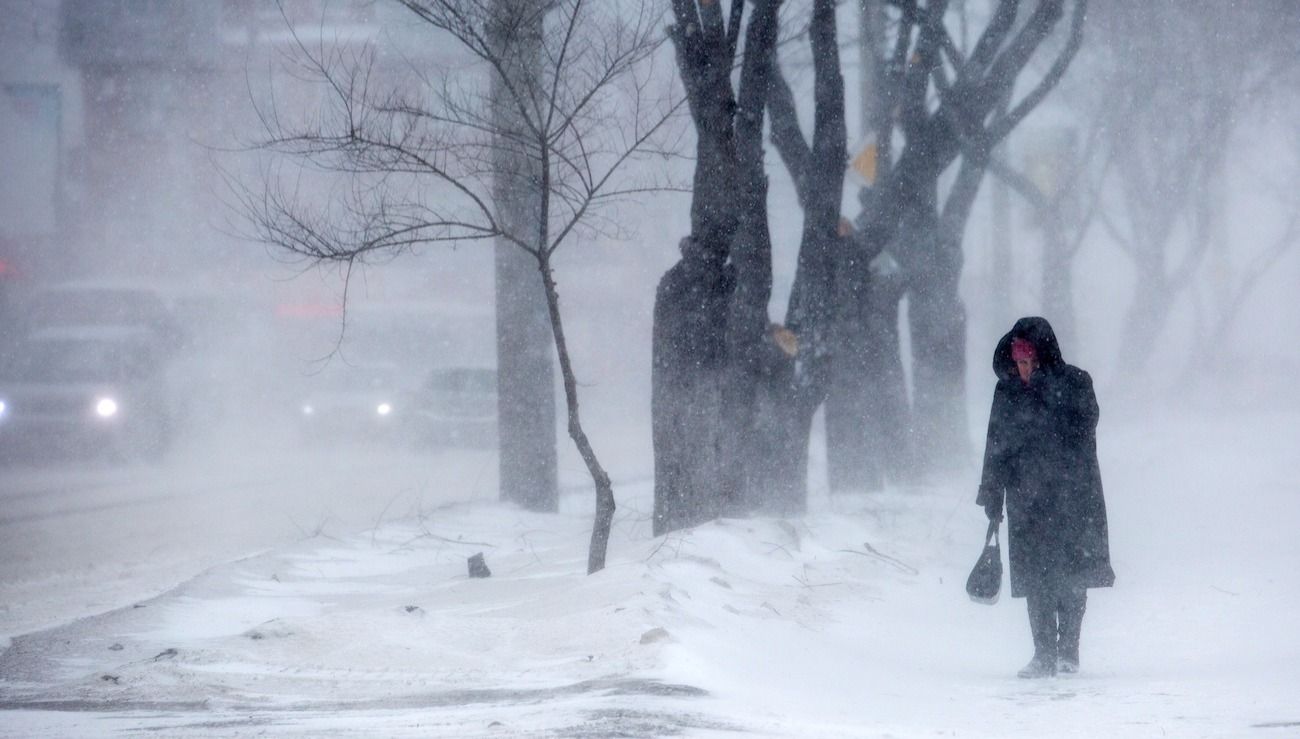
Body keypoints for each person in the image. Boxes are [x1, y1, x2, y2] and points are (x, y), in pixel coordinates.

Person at [977, 316, 1115, 678]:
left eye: (1029, 362)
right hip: (1026, 499)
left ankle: (1068, 652)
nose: (1022, 370)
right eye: (1018, 362)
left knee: (1071, 575)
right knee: (1035, 578)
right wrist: (992, 494)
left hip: (1072, 495)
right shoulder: (1006, 392)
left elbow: (1083, 427)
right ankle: (1043, 655)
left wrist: (1045, 392)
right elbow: (996, 444)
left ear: (1043, 358)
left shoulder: (1075, 383)